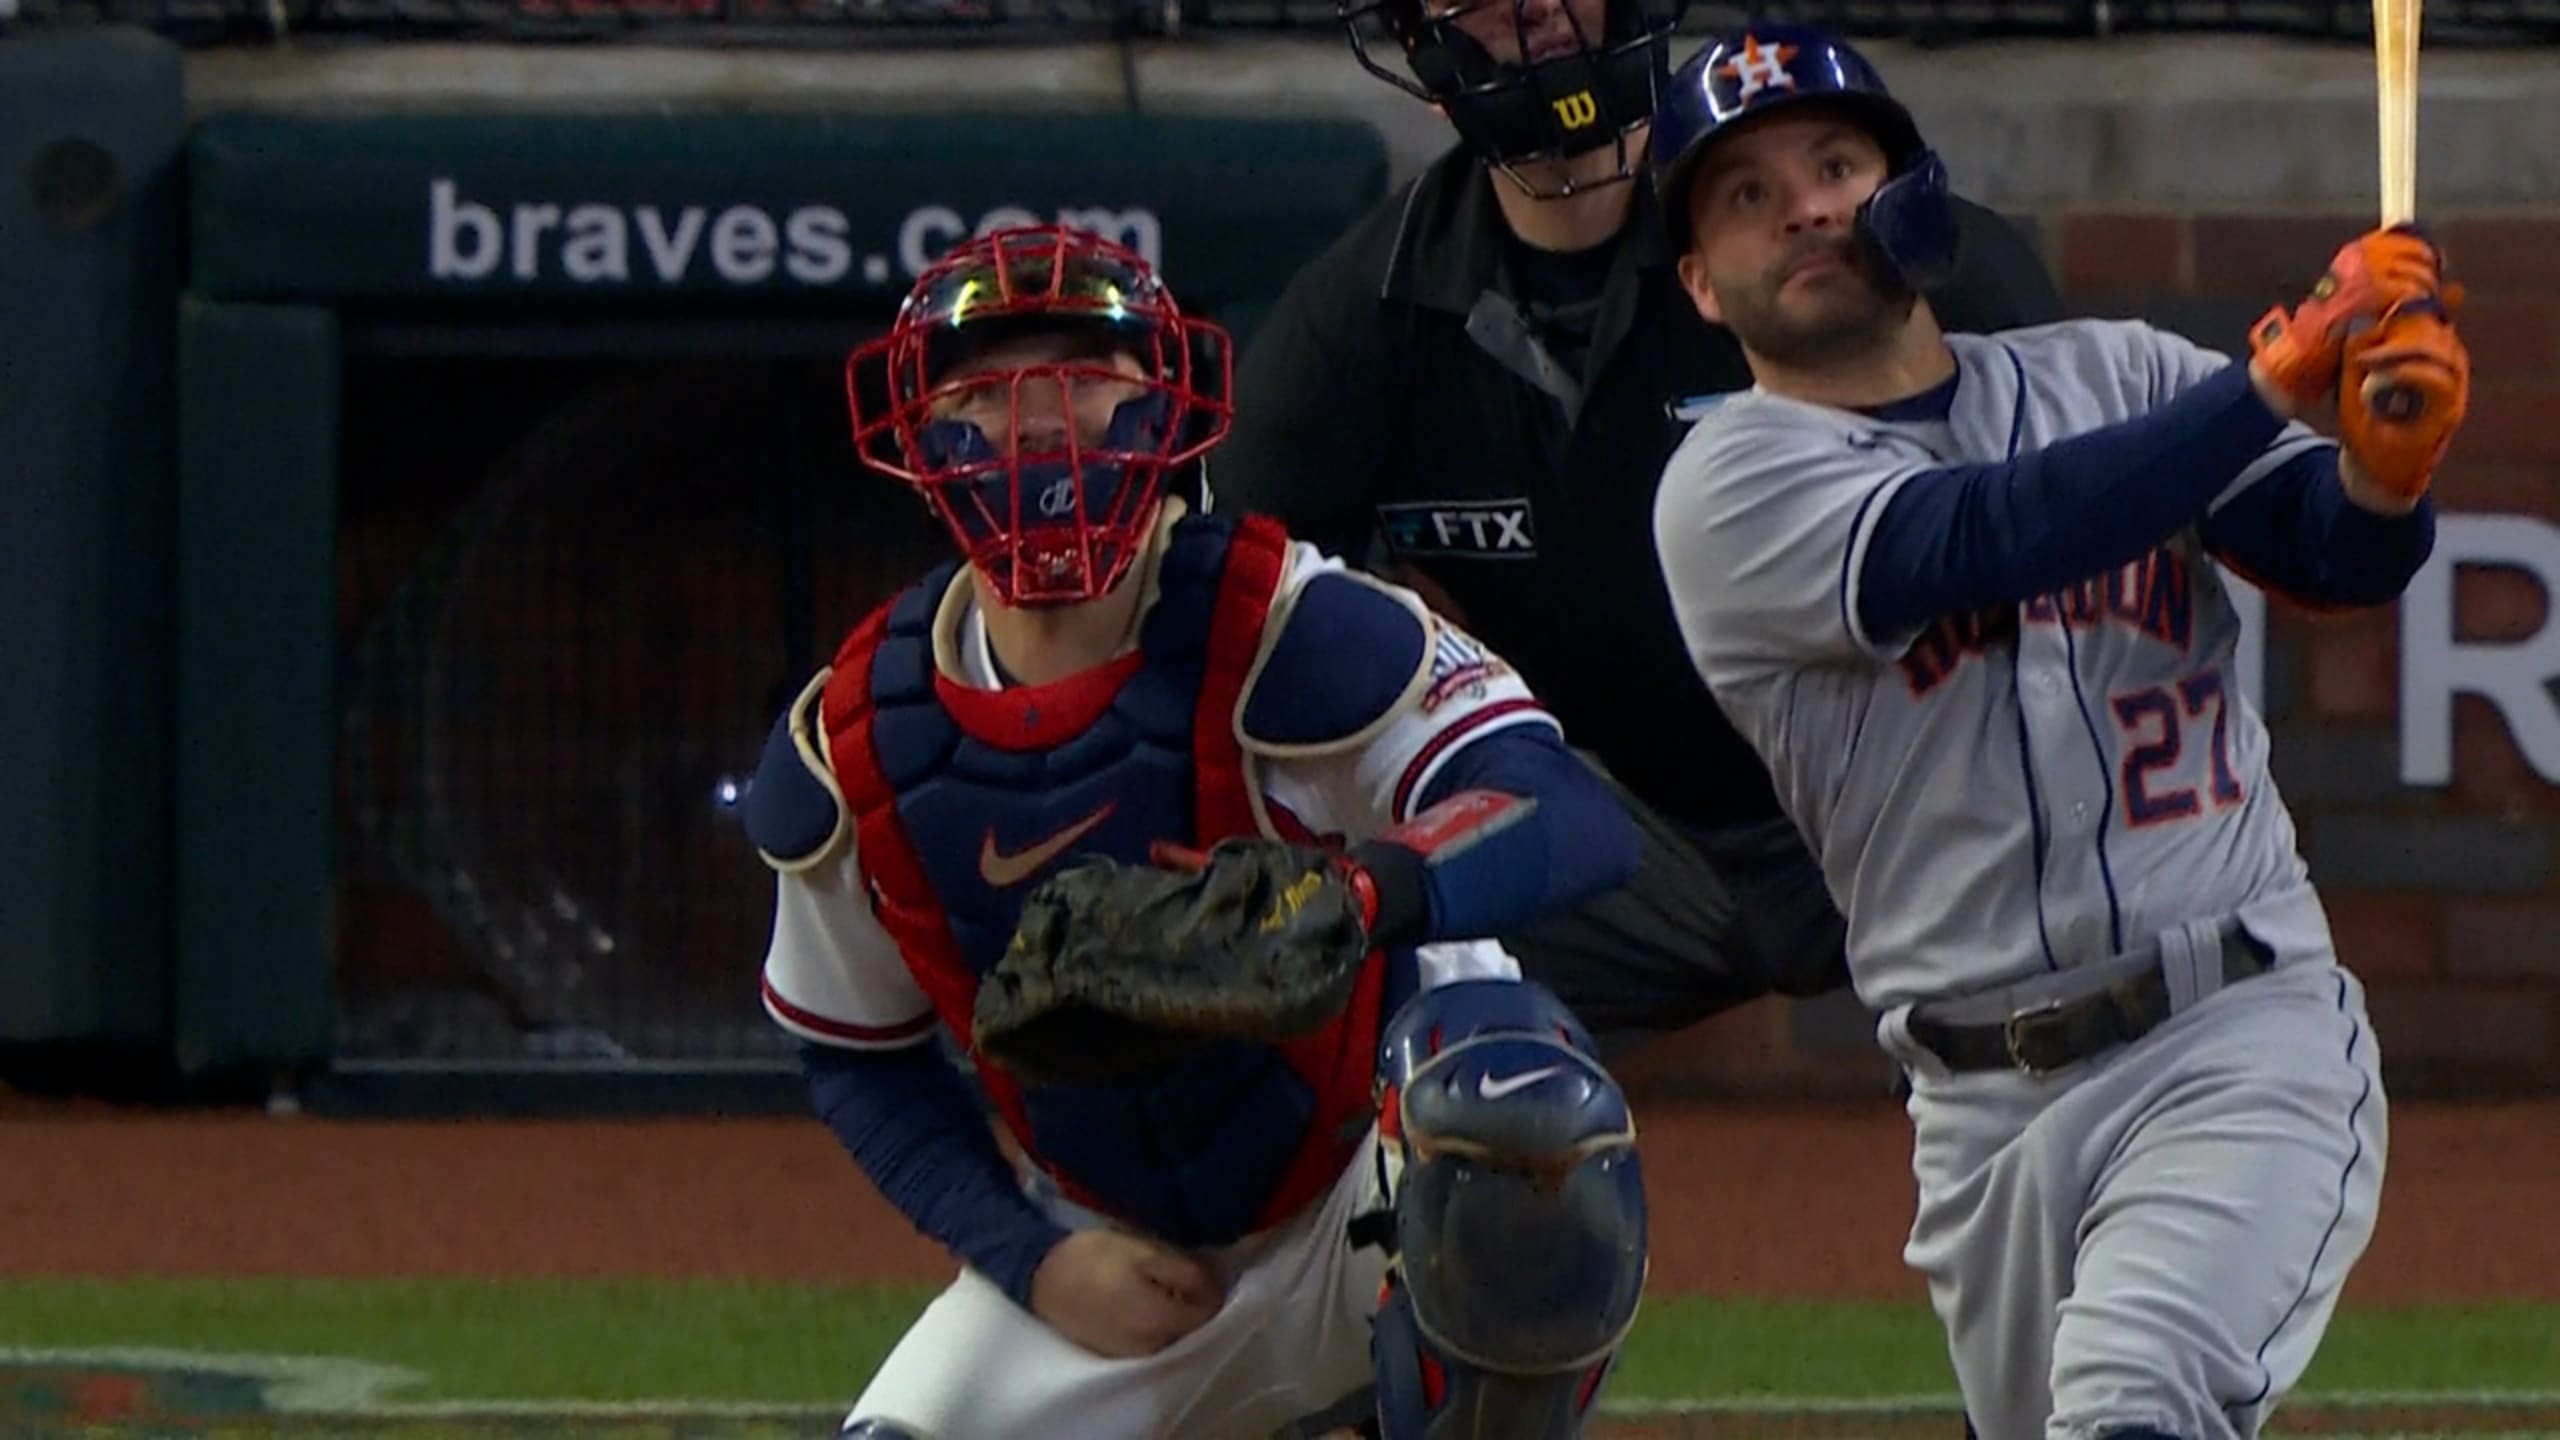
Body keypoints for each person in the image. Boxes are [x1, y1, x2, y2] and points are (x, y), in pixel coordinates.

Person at [1646, 27, 2468, 1440]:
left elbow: (2325, 550)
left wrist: (2384, 474)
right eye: (1747, 196)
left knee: (2135, 1399)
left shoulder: (2120, 375)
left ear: (1913, 192)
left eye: (1835, 165)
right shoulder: (1726, 490)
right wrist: (2273, 378)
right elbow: (1988, 535)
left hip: (2233, 1023)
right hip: (1982, 1118)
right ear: (1700, 286)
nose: (1804, 209)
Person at [742, 223, 1652, 1440]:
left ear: (1161, 412)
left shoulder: (1293, 624)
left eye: (1080, 379)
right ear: (922, 438)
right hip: (1105, 1253)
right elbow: (856, 1057)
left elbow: (1571, 813)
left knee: (1517, 1109)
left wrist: (1361, 895)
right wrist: (1033, 1262)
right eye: (986, 391)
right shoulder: (857, 741)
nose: (1034, 423)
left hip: (1364, 1191)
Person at [1212, 9, 2071, 1057]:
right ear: (1424, 50)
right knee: (1344, 960)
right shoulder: (1366, 320)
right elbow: (1230, 602)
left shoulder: (1862, 251)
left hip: (1903, 791)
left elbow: (2082, 511)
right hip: (1610, 832)